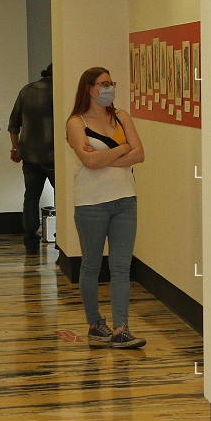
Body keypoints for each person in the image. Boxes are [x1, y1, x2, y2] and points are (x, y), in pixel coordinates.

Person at [65, 66, 146, 349]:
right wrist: (123, 149)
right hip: (91, 202)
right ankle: (95, 324)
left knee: (121, 267)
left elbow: (140, 154)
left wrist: (104, 156)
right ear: (89, 88)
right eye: (103, 83)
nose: (109, 88)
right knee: (91, 265)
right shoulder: (76, 123)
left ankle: (121, 328)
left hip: (125, 199)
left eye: (111, 83)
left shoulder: (122, 117)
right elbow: (89, 162)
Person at [9, 64, 55, 252]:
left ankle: (30, 241)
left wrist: (15, 148)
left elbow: (14, 125)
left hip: (29, 155)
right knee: (62, 198)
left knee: (31, 198)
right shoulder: (61, 91)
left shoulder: (26, 90)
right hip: (54, 156)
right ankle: (62, 242)